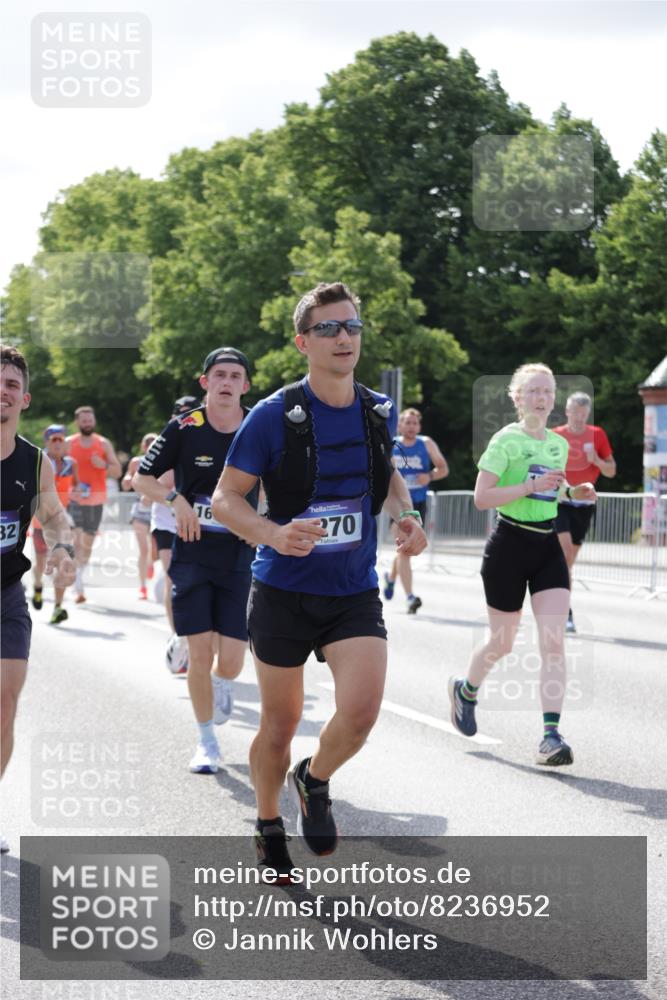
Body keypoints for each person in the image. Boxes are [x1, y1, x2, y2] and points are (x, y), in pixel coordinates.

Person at [212, 281, 427, 881]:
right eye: (330, 328)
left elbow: (384, 480)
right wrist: (271, 533)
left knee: (359, 714)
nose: (344, 337)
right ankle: (266, 823)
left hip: (352, 590)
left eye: (352, 326)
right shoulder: (273, 415)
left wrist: (408, 517)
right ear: (303, 340)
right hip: (282, 590)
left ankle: (315, 779)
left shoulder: (376, 410)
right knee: (278, 726)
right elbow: (226, 499)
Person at [448, 363, 596, 767]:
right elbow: (482, 497)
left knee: (553, 642)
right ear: (516, 397)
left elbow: (555, 485)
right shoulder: (505, 440)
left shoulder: (556, 443)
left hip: (546, 546)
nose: (542, 398)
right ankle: (466, 690)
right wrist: (529, 486)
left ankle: (550, 735)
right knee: (504, 643)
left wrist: (572, 490)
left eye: (547, 391)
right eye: (533, 391)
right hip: (508, 546)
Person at [134, 351, 256, 774]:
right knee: (199, 653)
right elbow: (141, 478)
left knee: (234, 660)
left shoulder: (259, 425)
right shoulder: (185, 427)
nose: (226, 381)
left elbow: (283, 482)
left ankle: (224, 684)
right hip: (192, 555)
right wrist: (176, 499)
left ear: (246, 385)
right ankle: (206, 742)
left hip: (239, 556)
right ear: (205, 383)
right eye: (218, 375)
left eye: (235, 376)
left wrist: (260, 524)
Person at [1, 345, 76, 853]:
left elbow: (52, 517)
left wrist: (64, 549)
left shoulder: (35, 461)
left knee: (4, 705)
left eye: (11, 385)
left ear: (24, 399)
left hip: (6, 596)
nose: (1, 393)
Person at [553, 392, 616, 633]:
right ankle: (564, 612)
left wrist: (597, 461)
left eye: (583, 413)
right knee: (565, 552)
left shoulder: (597, 434)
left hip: (585, 505)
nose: (578, 417)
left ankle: (557, 601)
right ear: (567, 411)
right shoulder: (556, 436)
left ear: (587, 414)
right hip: (561, 500)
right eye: (574, 412)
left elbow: (611, 471)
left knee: (567, 563)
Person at [383, 407, 448, 613]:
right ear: (399, 425)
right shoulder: (392, 445)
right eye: (407, 422)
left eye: (415, 423)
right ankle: (411, 597)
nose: (411, 426)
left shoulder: (426, 443)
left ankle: (391, 578)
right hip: (398, 506)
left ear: (419, 426)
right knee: (404, 550)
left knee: (404, 551)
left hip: (418, 505)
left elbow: (443, 469)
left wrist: (429, 476)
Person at [151, 397, 199, 672]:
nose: (185, 419)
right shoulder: (167, 440)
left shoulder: (208, 437)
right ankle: (178, 635)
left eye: (190, 413)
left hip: (197, 524)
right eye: (180, 414)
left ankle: (191, 636)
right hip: (167, 523)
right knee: (173, 580)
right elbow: (152, 481)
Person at [66, 406, 122, 603]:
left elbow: (117, 471)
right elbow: (55, 469)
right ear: (77, 422)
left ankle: (79, 576)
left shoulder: (103, 443)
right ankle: (77, 586)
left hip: (96, 501)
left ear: (94, 421)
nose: (87, 423)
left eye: (90, 420)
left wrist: (104, 465)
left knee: (87, 545)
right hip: (73, 500)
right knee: (77, 538)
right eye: (84, 420)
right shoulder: (68, 443)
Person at [31, 424, 81, 623]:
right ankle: (37, 585)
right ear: (47, 442)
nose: (59, 443)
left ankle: (58, 607)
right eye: (55, 440)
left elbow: (77, 486)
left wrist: (79, 493)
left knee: (64, 563)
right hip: (40, 522)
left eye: (62, 439)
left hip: (61, 524)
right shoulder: (38, 461)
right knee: (41, 563)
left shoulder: (71, 464)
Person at [121, 432, 159, 600]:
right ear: (143, 446)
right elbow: (127, 479)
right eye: (148, 443)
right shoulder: (137, 462)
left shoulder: (164, 461)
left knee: (155, 550)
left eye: (154, 443)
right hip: (140, 511)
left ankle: (152, 564)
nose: (151, 445)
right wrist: (128, 480)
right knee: (143, 550)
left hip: (157, 511)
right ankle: (142, 586)